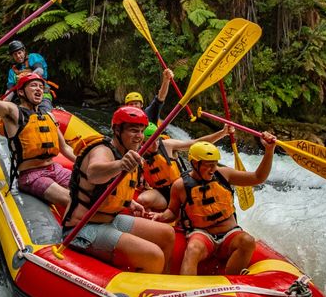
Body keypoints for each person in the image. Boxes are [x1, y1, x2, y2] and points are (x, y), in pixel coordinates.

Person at [61, 106, 175, 274]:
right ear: (116, 130)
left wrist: (131, 202)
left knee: (168, 233)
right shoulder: (102, 150)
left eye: (141, 131)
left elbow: (112, 190)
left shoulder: (127, 152)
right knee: (153, 254)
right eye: (133, 131)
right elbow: (94, 173)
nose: (139, 136)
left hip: (109, 220)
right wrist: (120, 164)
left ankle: (164, 284)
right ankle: (146, 295)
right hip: (82, 228)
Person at [154, 137, 276, 275]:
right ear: (194, 163)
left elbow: (258, 178)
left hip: (229, 234)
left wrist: (269, 151)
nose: (213, 169)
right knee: (193, 249)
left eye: (215, 163)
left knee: (247, 241)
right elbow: (172, 211)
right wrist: (161, 216)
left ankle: (231, 281)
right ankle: (187, 290)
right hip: (202, 234)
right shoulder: (180, 186)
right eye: (208, 164)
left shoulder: (224, 174)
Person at [0, 55, 75, 206]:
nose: (39, 89)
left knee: (92, 191)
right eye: (34, 86)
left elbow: (65, 148)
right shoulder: (13, 112)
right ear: (22, 92)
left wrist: (83, 165)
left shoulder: (49, 116)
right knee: (74, 201)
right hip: (32, 175)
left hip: (55, 169)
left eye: (41, 87)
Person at [137, 122, 235, 211]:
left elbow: (196, 143)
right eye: (150, 142)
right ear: (143, 143)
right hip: (162, 193)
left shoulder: (168, 145)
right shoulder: (140, 154)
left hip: (182, 190)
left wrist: (222, 133)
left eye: (157, 140)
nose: (155, 144)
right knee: (142, 200)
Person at [5, 40, 54, 114]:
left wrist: (25, 79)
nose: (18, 56)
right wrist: (4, 101)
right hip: (24, 100)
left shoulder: (33, 57)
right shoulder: (12, 71)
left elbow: (40, 71)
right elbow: (10, 91)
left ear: (24, 51)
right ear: (12, 56)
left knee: (44, 114)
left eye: (19, 53)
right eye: (15, 54)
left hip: (42, 95)